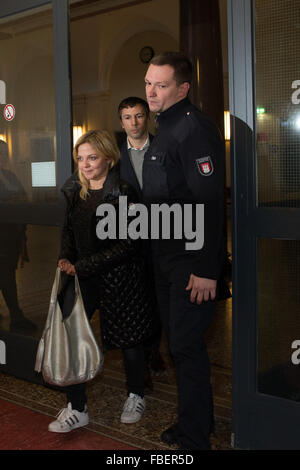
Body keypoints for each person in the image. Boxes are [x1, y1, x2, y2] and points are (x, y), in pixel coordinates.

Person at [142, 52, 226, 450]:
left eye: (161, 84)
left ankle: (195, 440)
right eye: (147, 83)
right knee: (178, 346)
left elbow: (209, 201)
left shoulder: (193, 130)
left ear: (183, 88)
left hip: (191, 261)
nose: (152, 91)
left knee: (187, 348)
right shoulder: (166, 129)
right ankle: (195, 422)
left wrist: (208, 268)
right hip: (167, 259)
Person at [48, 130, 154, 433]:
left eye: (92, 157)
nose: (85, 164)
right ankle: (76, 408)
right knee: (70, 335)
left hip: (120, 276)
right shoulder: (73, 191)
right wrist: (65, 258)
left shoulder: (123, 192)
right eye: (80, 158)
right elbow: (67, 231)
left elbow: (128, 245)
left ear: (109, 158)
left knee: (128, 339)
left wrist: (83, 265)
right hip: (81, 275)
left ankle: (136, 395)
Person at [118, 97, 165, 381]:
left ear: (146, 117)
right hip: (128, 240)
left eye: (138, 116)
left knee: (158, 298)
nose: (133, 123)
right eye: (127, 117)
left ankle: (153, 350)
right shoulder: (113, 154)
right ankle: (140, 362)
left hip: (161, 237)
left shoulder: (163, 147)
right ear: (121, 121)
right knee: (135, 300)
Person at [0, 140, 36, 333]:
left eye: (5, 153)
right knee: (6, 276)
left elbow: (22, 196)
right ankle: (16, 316)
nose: (3, 157)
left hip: (12, 236)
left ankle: (15, 315)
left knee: (6, 274)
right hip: (1, 237)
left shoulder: (9, 175)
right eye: (0, 153)